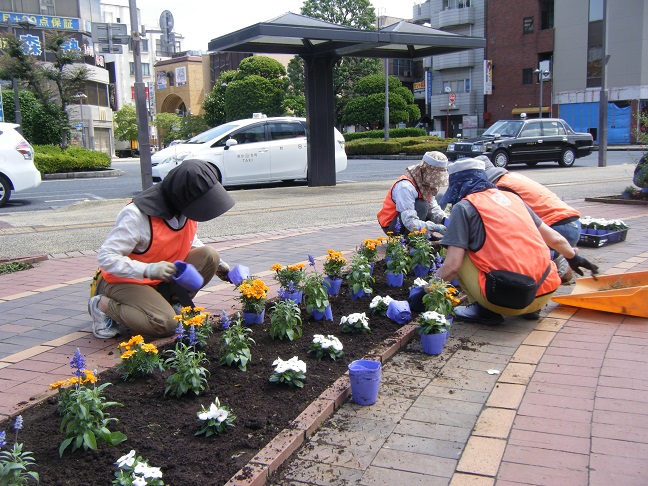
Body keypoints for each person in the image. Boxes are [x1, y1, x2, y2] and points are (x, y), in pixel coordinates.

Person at [437, 158, 598, 325]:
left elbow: (452, 266)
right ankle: (532, 310)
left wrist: (427, 290)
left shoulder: (464, 207)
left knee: (456, 248)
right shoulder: (513, 198)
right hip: (544, 292)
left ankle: (484, 311)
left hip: (505, 300)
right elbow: (555, 238)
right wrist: (573, 257)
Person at [88, 159, 236, 339]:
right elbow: (106, 257)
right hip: (124, 281)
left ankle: (170, 305)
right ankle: (102, 305)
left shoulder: (185, 208)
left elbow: (189, 239)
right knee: (165, 324)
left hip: (159, 278)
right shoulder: (137, 215)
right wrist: (148, 269)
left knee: (210, 256)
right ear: (182, 196)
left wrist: (219, 265)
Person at [477, 155, 582, 281]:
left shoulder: (500, 188)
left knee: (514, 251)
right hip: (572, 223)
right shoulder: (511, 177)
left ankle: (558, 258)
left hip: (559, 228)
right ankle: (562, 253)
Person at [377, 151, 449, 236]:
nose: (435, 182)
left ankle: (425, 234)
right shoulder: (405, 186)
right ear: (425, 170)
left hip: (412, 218)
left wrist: (447, 221)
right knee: (422, 204)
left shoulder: (426, 182)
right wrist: (435, 227)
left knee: (440, 197)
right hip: (393, 225)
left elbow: (433, 207)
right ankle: (412, 240)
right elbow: (409, 221)